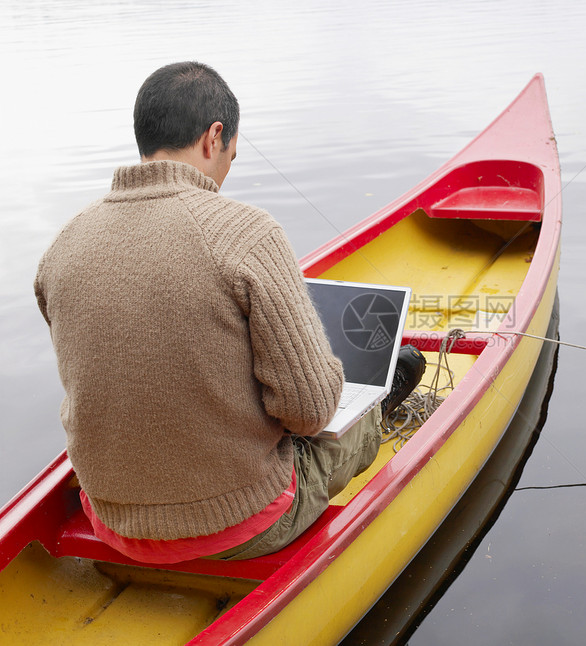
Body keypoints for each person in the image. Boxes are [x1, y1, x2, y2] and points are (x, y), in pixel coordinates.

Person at [34, 61, 423, 563]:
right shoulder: (245, 232)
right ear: (214, 137)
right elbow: (309, 413)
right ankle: (385, 403)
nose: (225, 172)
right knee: (354, 417)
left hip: (111, 520)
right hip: (241, 525)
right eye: (232, 156)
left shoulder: (63, 246)